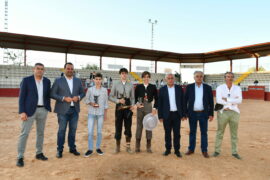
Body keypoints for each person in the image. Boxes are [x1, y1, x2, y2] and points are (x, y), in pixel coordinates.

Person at [17, 63, 51, 167]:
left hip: (42, 110)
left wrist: (47, 107)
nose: (40, 70)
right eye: (38, 69)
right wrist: (22, 111)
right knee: (24, 133)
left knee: (40, 133)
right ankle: (20, 157)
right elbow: (21, 97)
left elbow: (48, 95)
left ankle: (39, 153)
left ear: (44, 70)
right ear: (34, 69)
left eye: (42, 69)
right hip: (28, 111)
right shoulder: (26, 80)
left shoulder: (47, 81)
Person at [51, 62, 85, 158]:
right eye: (68, 68)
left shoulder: (78, 81)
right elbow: (52, 94)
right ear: (64, 69)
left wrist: (78, 97)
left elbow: (83, 93)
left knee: (73, 130)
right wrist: (63, 98)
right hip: (62, 110)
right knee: (61, 130)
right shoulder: (58, 80)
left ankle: (72, 148)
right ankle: (60, 149)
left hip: (75, 109)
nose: (70, 70)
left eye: (71, 69)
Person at [184, 71, 214, 158]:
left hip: (204, 113)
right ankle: (191, 149)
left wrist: (211, 113)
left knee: (204, 132)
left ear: (203, 77)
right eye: (197, 76)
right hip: (192, 113)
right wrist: (185, 113)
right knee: (192, 132)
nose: (199, 78)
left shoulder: (208, 87)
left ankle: (204, 150)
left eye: (201, 76)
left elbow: (211, 102)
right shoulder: (189, 87)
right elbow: (185, 100)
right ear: (194, 77)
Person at [213, 72, 242, 159]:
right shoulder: (220, 88)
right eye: (228, 77)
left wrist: (227, 99)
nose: (229, 78)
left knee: (234, 134)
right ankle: (217, 151)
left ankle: (234, 152)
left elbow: (240, 100)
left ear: (233, 78)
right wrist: (233, 100)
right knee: (220, 132)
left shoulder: (237, 88)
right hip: (223, 112)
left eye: (231, 77)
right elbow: (219, 100)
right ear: (225, 78)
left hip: (234, 113)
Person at [158, 73, 185, 158]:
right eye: (168, 78)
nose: (170, 80)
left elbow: (183, 102)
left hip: (177, 114)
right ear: (166, 80)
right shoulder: (162, 90)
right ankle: (168, 149)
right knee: (167, 133)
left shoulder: (179, 88)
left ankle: (177, 150)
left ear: (174, 79)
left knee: (177, 134)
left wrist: (183, 114)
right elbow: (160, 104)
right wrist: (160, 116)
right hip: (166, 115)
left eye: (172, 78)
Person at [109, 68, 135, 153]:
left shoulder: (130, 84)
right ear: (120, 74)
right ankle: (117, 147)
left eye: (125, 73)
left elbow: (133, 97)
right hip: (119, 106)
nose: (124, 75)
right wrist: (118, 100)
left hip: (128, 106)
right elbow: (110, 96)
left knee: (128, 126)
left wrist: (132, 105)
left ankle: (128, 147)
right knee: (118, 126)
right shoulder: (115, 83)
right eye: (122, 73)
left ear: (127, 75)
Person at [84, 73, 108, 157]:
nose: (98, 81)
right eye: (96, 79)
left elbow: (106, 103)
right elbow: (86, 100)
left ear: (101, 80)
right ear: (93, 80)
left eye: (99, 79)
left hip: (101, 113)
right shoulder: (90, 89)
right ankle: (90, 149)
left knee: (99, 132)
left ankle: (98, 147)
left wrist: (105, 114)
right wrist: (91, 103)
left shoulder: (104, 90)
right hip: (91, 113)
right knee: (90, 131)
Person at [135, 71, 158, 153]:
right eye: (145, 77)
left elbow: (157, 98)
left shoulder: (153, 86)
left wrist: (155, 108)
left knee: (149, 125)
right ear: (142, 78)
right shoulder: (138, 87)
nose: (146, 78)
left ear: (149, 78)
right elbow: (134, 97)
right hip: (140, 107)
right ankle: (137, 146)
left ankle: (148, 146)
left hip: (149, 106)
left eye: (148, 77)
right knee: (139, 125)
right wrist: (137, 103)